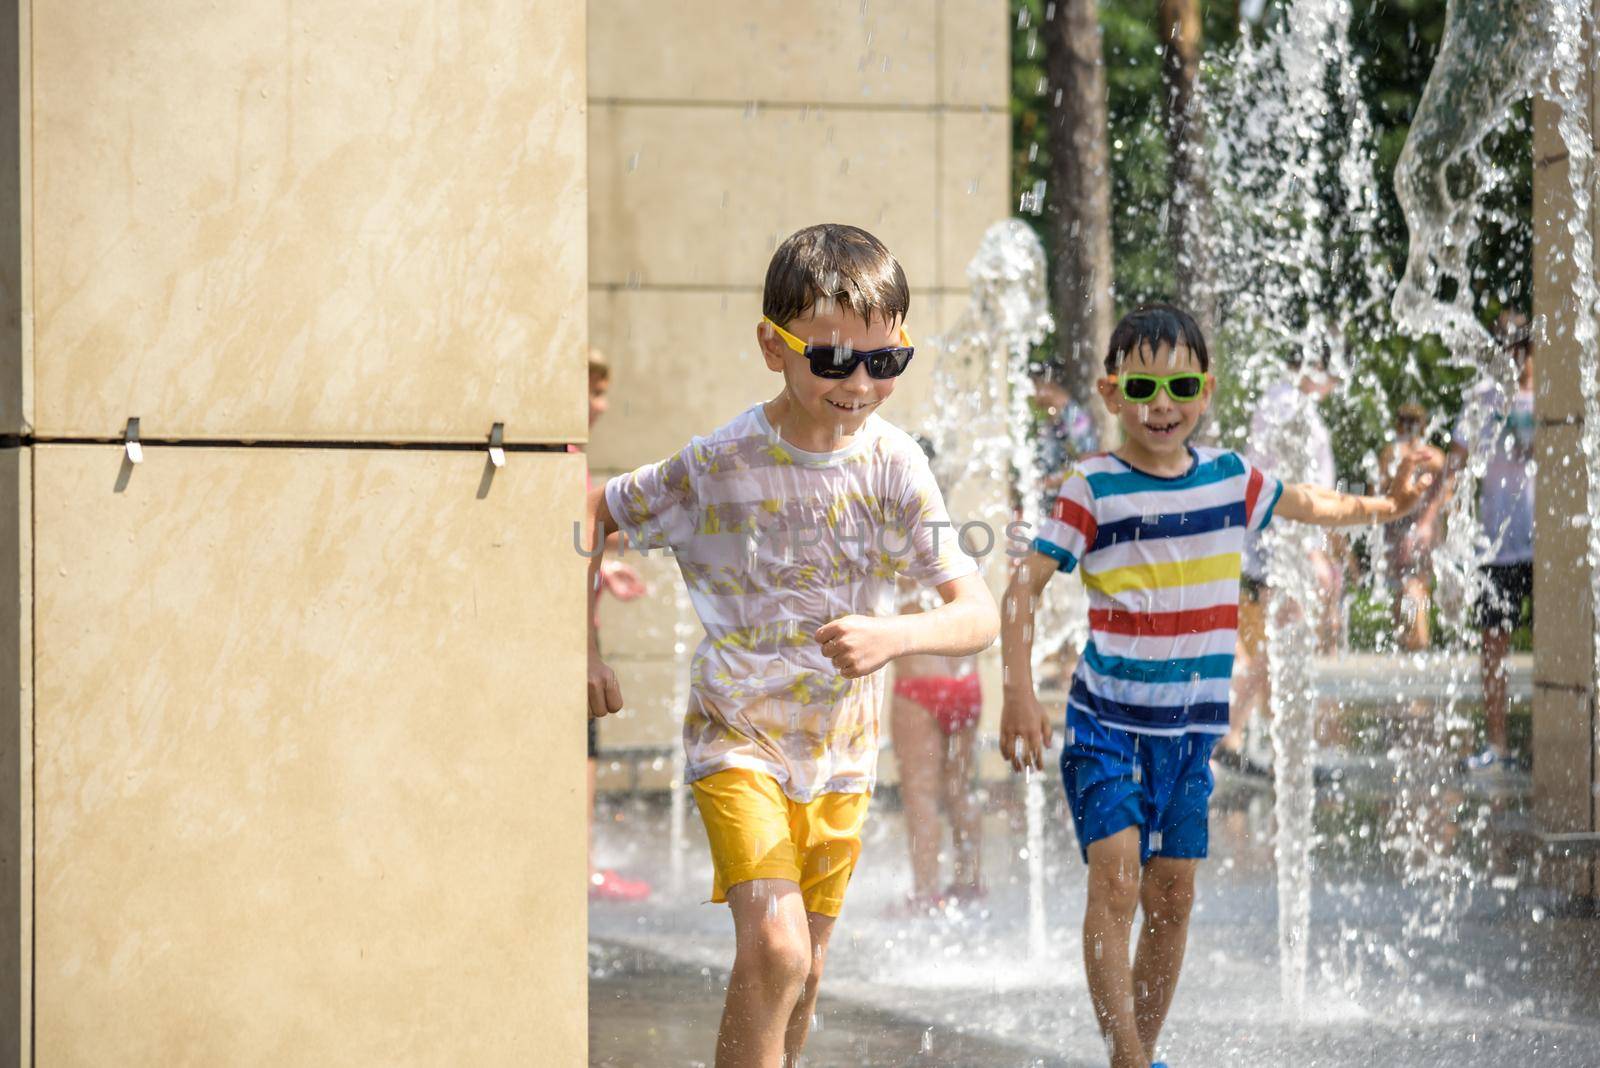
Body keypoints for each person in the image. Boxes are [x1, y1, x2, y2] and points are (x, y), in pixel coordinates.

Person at [585, 223, 1000, 1068]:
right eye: (832, 360)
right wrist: (582, 649)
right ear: (773, 348)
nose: (859, 384)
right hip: (737, 735)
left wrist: (896, 634)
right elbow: (598, 512)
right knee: (776, 952)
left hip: (842, 756)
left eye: (884, 363)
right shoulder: (721, 461)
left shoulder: (895, 465)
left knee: (804, 976)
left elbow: (977, 613)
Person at [998, 304, 1429, 1068]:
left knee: (1173, 897)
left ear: (1206, 391)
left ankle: (1142, 1049)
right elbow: (1020, 589)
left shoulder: (1234, 479)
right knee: (1119, 878)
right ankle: (1128, 1059)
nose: (1161, 402)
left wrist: (1387, 507)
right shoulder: (1091, 488)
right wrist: (1019, 695)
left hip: (1190, 737)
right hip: (1107, 725)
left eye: (1180, 384)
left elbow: (1310, 504)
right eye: (1143, 385)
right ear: (1111, 392)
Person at [1216, 364, 1340, 777]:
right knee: (1280, 646)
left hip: (1276, 543)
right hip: (1280, 545)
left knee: (1276, 647)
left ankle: (1238, 737)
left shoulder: (1285, 401)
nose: (1336, 383)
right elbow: (1292, 488)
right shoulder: (1289, 405)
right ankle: (1280, 753)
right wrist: (1310, 551)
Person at [889, 439, 985, 913]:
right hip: (966, 684)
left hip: (919, 684)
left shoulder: (895, 536)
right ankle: (970, 882)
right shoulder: (962, 537)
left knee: (921, 794)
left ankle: (925, 894)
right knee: (960, 787)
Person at [1449, 310, 1535, 773]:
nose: (1511, 354)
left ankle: (1572, 744)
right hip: (1496, 546)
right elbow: (1456, 463)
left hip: (1547, 545)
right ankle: (1498, 744)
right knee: (1493, 646)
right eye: (1503, 345)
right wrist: (1437, 520)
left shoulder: (1552, 396)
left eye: (1518, 345)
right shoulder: (1482, 398)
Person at [582, 349, 650, 902]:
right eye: (592, 392)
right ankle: (579, 867)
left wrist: (606, 566)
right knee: (583, 749)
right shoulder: (558, 452)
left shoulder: (568, 452)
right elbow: (578, 521)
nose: (600, 405)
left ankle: (579, 862)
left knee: (586, 747)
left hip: (582, 627)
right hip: (573, 638)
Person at [1379, 403, 1449, 652]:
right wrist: (1428, 521)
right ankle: (1415, 641)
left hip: (1398, 531)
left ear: (1398, 423)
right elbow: (1447, 493)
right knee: (1417, 584)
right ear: (1424, 424)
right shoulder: (1435, 456)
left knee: (1406, 587)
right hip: (1426, 532)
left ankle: (1415, 641)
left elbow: (1379, 493)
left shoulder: (1392, 454)